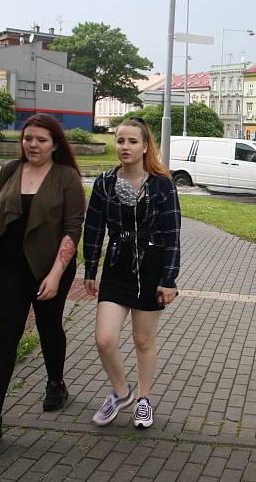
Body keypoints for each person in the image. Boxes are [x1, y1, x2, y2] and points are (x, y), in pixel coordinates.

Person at [0, 114, 86, 442]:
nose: (33, 144)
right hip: (7, 267)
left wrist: (56, 275)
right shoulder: (9, 171)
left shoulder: (67, 177)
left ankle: (56, 383)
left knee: (48, 327)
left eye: (41, 140)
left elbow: (72, 230)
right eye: (28, 138)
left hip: (49, 266)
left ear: (55, 144)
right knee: (4, 334)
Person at [83, 116, 180, 429]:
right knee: (104, 339)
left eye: (132, 141)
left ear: (145, 146)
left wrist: (169, 279)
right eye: (120, 140)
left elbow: (172, 234)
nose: (125, 147)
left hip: (151, 269)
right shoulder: (104, 183)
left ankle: (143, 399)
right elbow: (94, 228)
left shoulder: (162, 184)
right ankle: (121, 392)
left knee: (142, 341)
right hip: (116, 267)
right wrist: (90, 268)